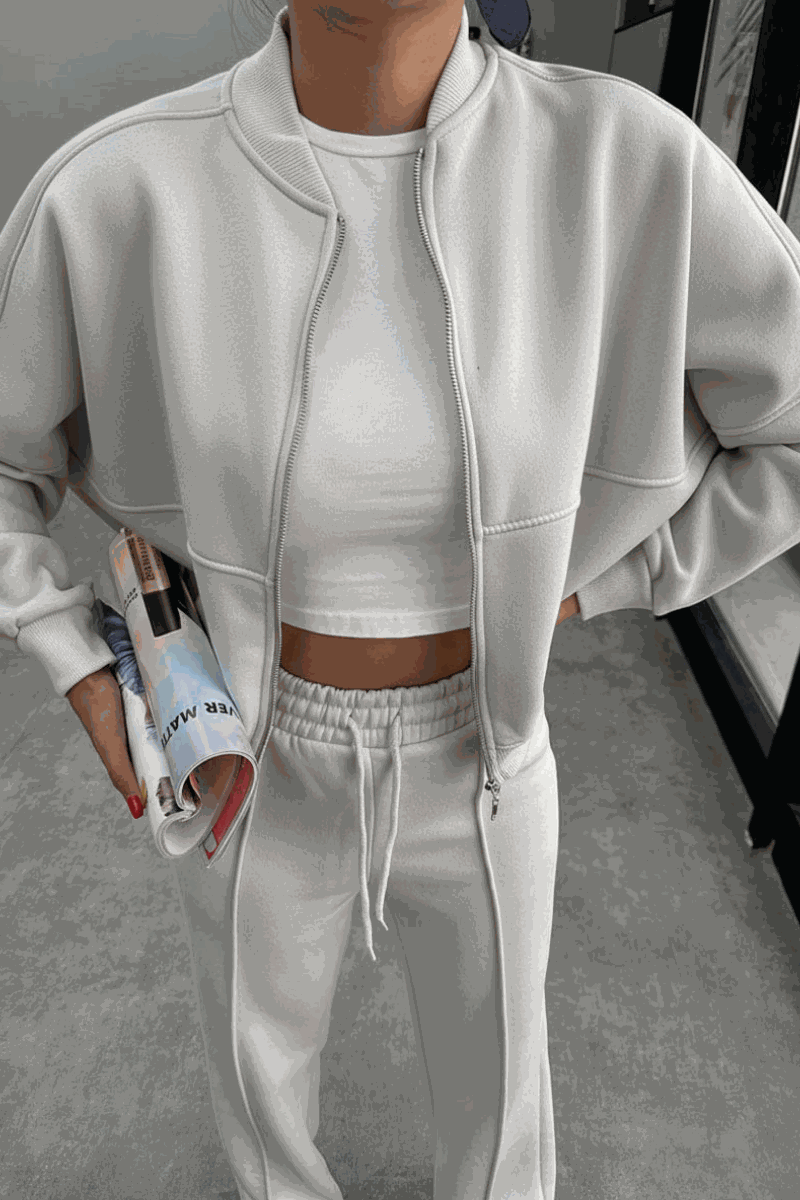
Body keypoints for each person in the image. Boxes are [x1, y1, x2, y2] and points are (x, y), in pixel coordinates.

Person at [3, 1, 800, 1197]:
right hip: (246, 751)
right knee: (258, 1103)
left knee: (504, 1126)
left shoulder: (622, 163)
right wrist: (69, 651)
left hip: (487, 752)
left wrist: (606, 581)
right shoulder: (120, 189)